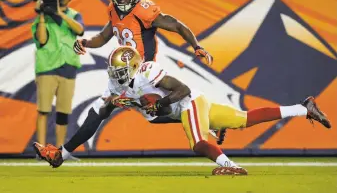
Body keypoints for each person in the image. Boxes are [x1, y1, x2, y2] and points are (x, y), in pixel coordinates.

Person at [33, 46, 331, 175]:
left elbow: (183, 91)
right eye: (115, 71)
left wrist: (156, 103)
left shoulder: (149, 71)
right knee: (243, 119)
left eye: (122, 70)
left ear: (135, 66)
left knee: (198, 143)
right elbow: (91, 123)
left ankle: (230, 165)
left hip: (189, 102)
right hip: (179, 111)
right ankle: (303, 108)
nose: (117, 76)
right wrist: (64, 152)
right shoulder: (114, 87)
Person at [73, 0, 212, 65]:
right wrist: (86, 42)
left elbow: (177, 25)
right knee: (102, 108)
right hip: (125, 68)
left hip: (145, 70)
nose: (121, 1)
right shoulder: (113, 9)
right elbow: (103, 37)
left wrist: (196, 46)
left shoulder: (144, 11)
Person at [32, 0, 84, 148]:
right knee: (43, 110)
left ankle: (59, 149)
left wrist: (60, 14)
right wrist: (42, 14)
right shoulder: (44, 16)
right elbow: (41, 39)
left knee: (63, 112)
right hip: (47, 66)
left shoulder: (74, 14)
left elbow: (80, 30)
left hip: (68, 66)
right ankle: (41, 148)